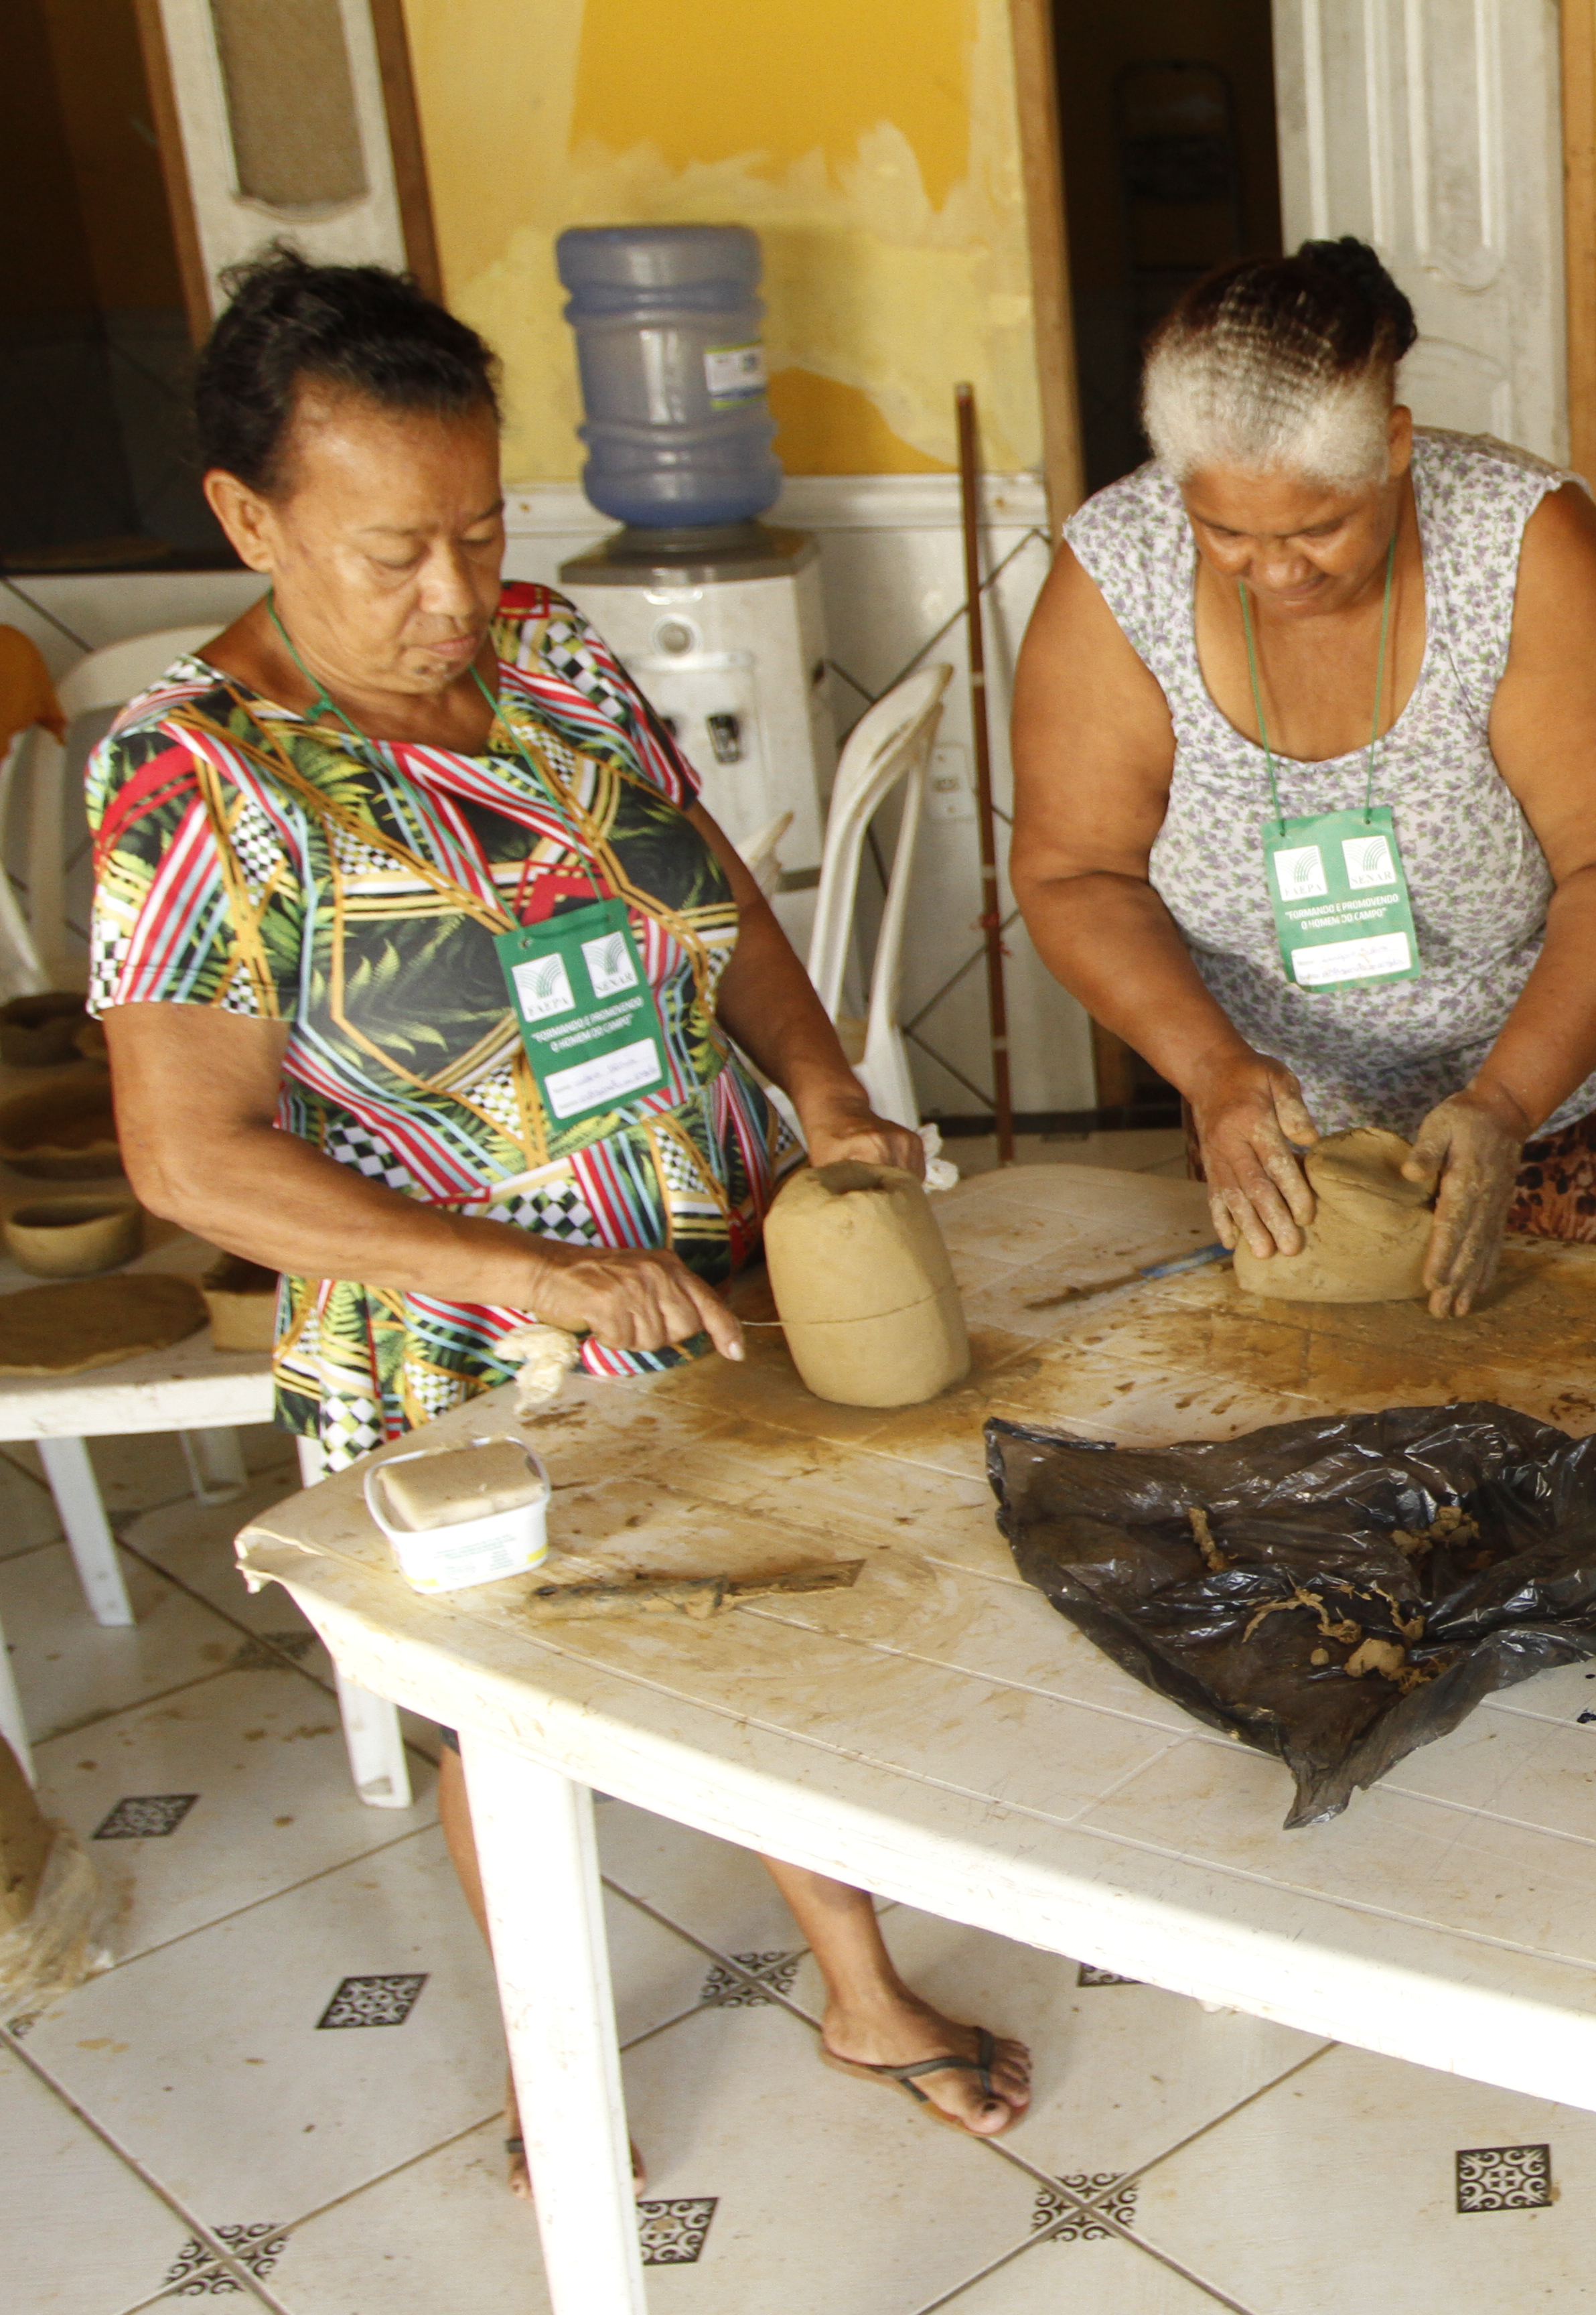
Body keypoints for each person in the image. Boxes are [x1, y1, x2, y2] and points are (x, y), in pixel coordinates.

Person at [92, 249, 1030, 2184]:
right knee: (513, 1734)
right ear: (247, 518)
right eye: (389, 551)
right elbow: (187, 1161)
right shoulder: (194, 783)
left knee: (776, 1640)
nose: (454, 596)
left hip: (694, 1256)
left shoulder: (557, 654)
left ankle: (858, 1987)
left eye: (479, 525)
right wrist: (534, 1272)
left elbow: (719, 895)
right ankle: (554, 2060)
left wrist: (827, 1086)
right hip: (456, 1344)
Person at [1013, 240, 1596, 1310]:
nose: (1277, 570)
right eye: (1225, 532)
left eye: (1319, 526)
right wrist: (1212, 1073)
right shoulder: (1121, 569)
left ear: (1391, 446)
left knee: (1573, 1417)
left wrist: (1509, 1100)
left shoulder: (1522, 547)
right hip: (1276, 1129)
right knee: (1306, 1421)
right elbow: (1075, 872)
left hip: (1556, 1106)